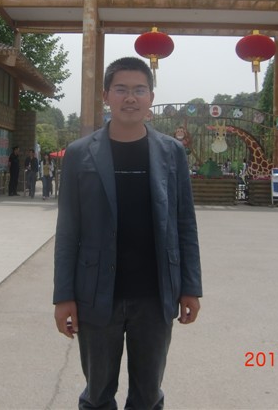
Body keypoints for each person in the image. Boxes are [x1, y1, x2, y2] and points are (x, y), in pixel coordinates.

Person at [53, 56, 202, 408]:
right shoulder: (79, 154)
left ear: (151, 97)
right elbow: (68, 230)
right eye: (121, 89)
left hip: (155, 294)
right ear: (106, 95)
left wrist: (190, 288)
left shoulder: (172, 153)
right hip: (96, 294)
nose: (130, 98)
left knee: (148, 395)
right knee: (97, 394)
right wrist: (63, 296)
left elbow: (185, 223)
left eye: (139, 90)